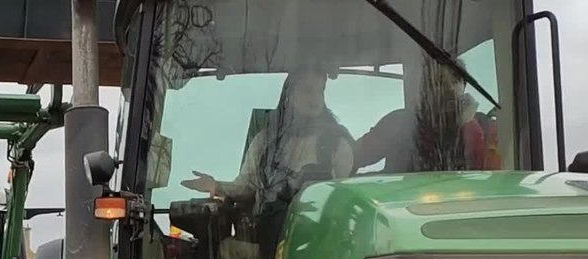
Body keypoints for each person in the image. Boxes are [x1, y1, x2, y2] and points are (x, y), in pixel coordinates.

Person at [182, 68, 355, 209]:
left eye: (320, 90)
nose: (316, 98)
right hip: (266, 234)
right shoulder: (265, 142)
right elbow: (246, 186)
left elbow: (343, 202)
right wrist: (216, 186)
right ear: (289, 97)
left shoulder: (337, 144)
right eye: (307, 90)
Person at [354, 60, 490, 173]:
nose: (449, 88)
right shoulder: (400, 123)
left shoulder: (485, 127)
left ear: (464, 86)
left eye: (455, 80)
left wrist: (467, 125)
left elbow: (491, 177)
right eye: (439, 82)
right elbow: (354, 156)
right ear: (426, 90)